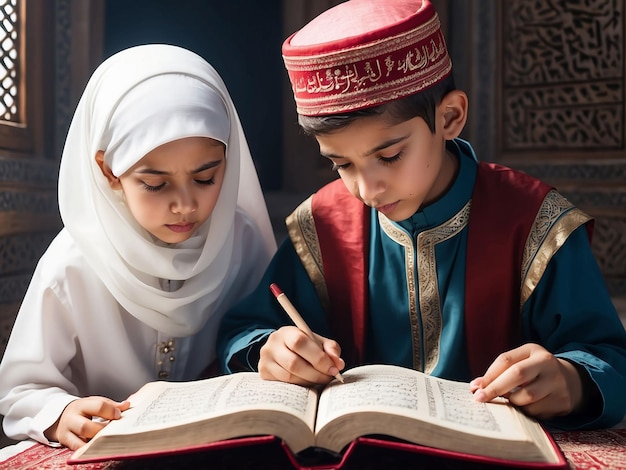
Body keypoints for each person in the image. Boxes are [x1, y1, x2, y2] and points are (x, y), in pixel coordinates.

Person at [217, 0, 626, 430]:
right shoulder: (322, 224)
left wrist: (570, 380)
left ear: (450, 117)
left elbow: (609, 359)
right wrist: (273, 349)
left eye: (390, 156)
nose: (366, 189)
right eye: (342, 164)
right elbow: (248, 329)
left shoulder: (534, 223)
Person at [0, 44, 277, 450]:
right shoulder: (74, 264)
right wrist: (60, 415)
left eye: (205, 178)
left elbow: (263, 338)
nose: (185, 204)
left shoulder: (244, 242)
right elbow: (20, 391)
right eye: (155, 184)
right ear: (108, 171)